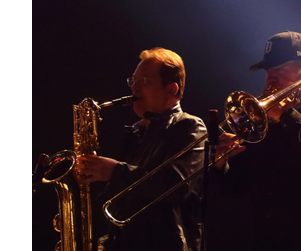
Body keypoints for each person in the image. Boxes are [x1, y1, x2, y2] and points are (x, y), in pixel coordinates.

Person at [211, 31, 301, 251]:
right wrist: (221, 163)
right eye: (268, 71)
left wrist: (287, 116)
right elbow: (235, 189)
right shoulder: (265, 119)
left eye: (280, 69)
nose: (270, 78)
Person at [76, 47, 207, 251]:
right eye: (133, 81)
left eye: (145, 81)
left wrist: (114, 171)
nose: (135, 88)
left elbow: (174, 186)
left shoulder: (190, 126)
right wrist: (105, 244)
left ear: (171, 89)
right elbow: (125, 207)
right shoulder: (137, 133)